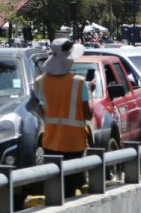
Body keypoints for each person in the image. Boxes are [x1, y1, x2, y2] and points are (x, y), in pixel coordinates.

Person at [37, 39, 92, 197]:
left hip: (50, 143)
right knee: (69, 191)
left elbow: (42, 110)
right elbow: (89, 114)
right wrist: (91, 93)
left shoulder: (40, 82)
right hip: (74, 145)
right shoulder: (79, 83)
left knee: (55, 191)